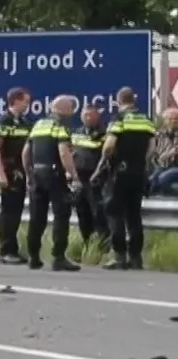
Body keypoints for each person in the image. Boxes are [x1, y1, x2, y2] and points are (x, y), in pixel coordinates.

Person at [101, 88, 158, 269]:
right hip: (138, 172)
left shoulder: (119, 119)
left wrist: (106, 162)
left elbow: (109, 146)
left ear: (118, 101)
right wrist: (143, 162)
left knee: (115, 213)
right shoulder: (145, 120)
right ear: (133, 100)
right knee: (134, 215)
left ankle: (119, 257)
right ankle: (135, 257)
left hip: (120, 172)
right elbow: (152, 147)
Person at [22, 95, 81, 272]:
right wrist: (74, 175)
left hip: (37, 174)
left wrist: (29, 174)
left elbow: (26, 152)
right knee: (61, 216)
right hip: (54, 175)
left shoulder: (38, 125)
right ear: (61, 109)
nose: (72, 112)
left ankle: (33, 257)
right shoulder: (60, 126)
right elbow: (64, 153)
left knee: (36, 217)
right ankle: (58, 257)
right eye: (71, 108)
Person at [0, 87, 34, 266]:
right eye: (25, 101)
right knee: (9, 212)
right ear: (15, 101)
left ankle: (13, 249)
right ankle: (6, 250)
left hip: (21, 171)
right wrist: (1, 173)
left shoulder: (24, 122)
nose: (28, 104)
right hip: (9, 171)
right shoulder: (4, 121)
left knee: (16, 212)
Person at [70, 102, 110, 253]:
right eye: (85, 115)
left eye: (90, 115)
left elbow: (107, 157)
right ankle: (87, 245)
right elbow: (71, 152)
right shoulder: (77, 132)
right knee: (82, 214)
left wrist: (99, 174)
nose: (87, 118)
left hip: (96, 180)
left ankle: (104, 248)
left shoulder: (104, 133)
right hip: (79, 180)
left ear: (97, 116)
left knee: (99, 215)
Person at [150, 108, 178, 197]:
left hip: (176, 166)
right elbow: (155, 153)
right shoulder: (160, 135)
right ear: (165, 121)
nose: (172, 121)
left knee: (163, 178)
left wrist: (171, 153)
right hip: (163, 166)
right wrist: (157, 158)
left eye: (174, 119)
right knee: (151, 181)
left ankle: (173, 195)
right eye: (169, 119)